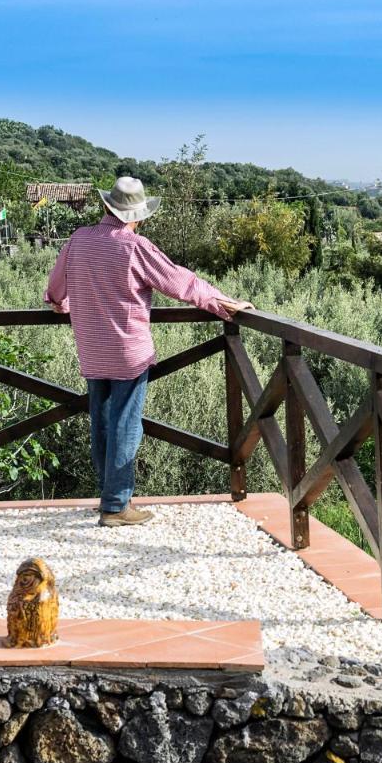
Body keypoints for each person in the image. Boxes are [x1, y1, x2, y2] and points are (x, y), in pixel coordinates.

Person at [44, 176, 253, 527]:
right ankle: (115, 506)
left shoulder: (78, 240)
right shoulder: (134, 247)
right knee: (126, 425)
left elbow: (56, 287)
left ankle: (108, 494)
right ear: (136, 215)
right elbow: (180, 282)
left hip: (92, 349)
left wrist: (58, 303)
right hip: (128, 352)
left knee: (102, 423)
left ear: (107, 207)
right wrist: (222, 303)